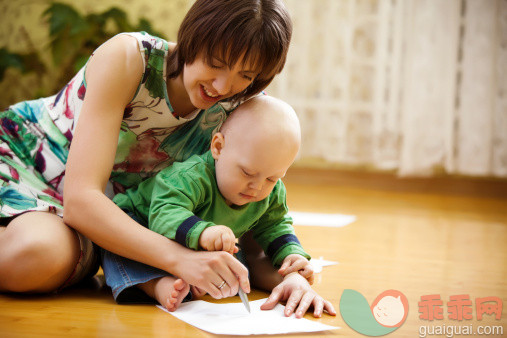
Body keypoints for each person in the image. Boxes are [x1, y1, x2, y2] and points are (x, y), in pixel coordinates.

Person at [0, 0, 331, 318]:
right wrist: (179, 260)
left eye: (246, 75)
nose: (222, 86)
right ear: (193, 35)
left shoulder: (241, 108)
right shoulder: (130, 59)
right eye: (216, 62)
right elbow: (82, 199)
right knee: (29, 253)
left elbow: (255, 230)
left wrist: (293, 278)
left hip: (106, 218)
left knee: (38, 257)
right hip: (27, 163)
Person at [102, 96, 334, 317]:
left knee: (239, 259)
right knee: (118, 245)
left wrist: (292, 258)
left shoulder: (270, 192)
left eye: (272, 178)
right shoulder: (190, 177)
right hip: (141, 223)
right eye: (247, 172)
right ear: (218, 147)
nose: (257, 187)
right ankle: (154, 284)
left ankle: (285, 283)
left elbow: (277, 226)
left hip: (191, 245)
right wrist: (204, 232)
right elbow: (164, 215)